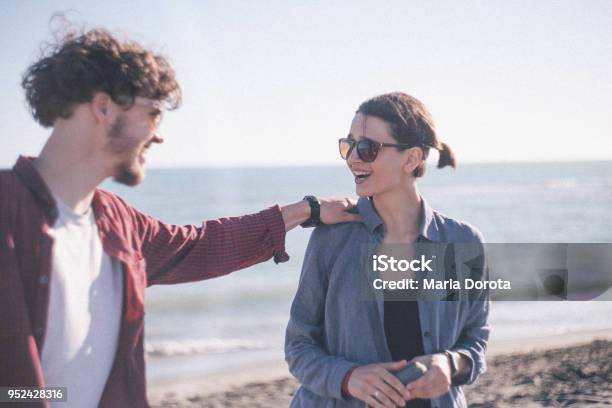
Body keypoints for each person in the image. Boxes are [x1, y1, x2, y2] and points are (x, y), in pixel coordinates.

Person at [0, 27, 361, 408]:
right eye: (153, 114)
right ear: (104, 108)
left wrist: (309, 210)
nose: (160, 137)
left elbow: (200, 245)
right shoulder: (8, 209)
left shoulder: (117, 222)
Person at [285, 92, 490, 407]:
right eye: (348, 145)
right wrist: (348, 377)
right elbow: (299, 346)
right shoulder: (333, 239)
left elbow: (475, 341)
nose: (352, 158)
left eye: (366, 148)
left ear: (411, 159)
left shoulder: (462, 242)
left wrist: (448, 364)